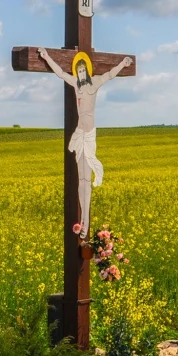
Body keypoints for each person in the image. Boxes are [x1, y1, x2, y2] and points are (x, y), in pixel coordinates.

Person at [38, 48, 132, 238]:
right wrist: (46, 57)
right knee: (81, 180)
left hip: (89, 136)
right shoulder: (76, 85)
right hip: (80, 133)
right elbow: (61, 73)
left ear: (87, 71)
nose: (81, 74)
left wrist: (123, 64)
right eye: (79, 71)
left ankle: (86, 222)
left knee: (87, 181)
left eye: (83, 71)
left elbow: (109, 75)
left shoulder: (94, 83)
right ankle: (81, 220)